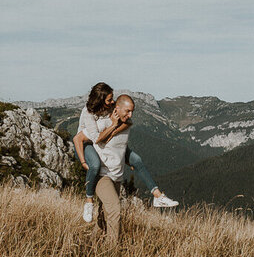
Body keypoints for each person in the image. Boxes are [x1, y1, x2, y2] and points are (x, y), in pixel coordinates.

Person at [73, 82, 178, 224]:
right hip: (88, 143)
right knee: (95, 165)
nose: (112, 102)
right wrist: (83, 161)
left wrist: (115, 129)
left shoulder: (111, 107)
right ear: (100, 100)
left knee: (137, 160)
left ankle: (158, 195)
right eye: (109, 99)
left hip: (107, 142)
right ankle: (89, 201)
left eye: (112, 99)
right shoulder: (88, 112)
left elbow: (127, 121)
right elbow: (92, 139)